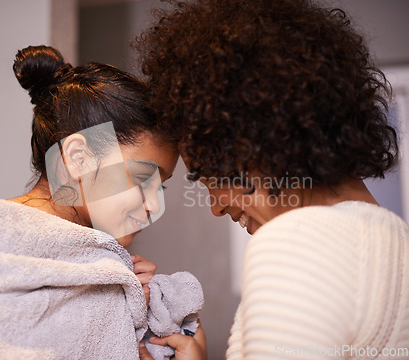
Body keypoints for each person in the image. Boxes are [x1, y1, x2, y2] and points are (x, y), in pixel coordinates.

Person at [135, 0, 409, 359]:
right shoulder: (396, 240)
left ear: (252, 141)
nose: (216, 206)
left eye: (208, 175)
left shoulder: (294, 244)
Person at [0, 45, 180, 359]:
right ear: (79, 158)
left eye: (162, 189)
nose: (154, 206)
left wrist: (127, 304)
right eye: (144, 179)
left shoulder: (89, 266)